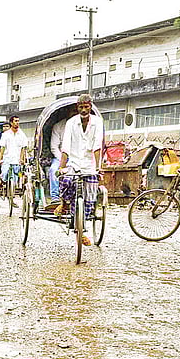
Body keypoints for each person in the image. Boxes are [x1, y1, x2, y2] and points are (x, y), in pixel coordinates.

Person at [56, 93, 105, 246]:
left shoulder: (98, 122)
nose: (84, 110)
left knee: (89, 199)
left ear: (90, 106)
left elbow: (97, 146)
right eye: (81, 107)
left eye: (86, 106)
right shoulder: (71, 123)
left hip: (90, 165)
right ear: (77, 108)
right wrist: (61, 167)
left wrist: (98, 168)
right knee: (66, 181)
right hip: (74, 163)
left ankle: (80, 230)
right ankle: (64, 203)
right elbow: (66, 147)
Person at [0, 115, 29, 193]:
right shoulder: (6, 134)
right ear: (11, 122)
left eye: (18, 121)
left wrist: (22, 159)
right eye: (15, 121)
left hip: (16, 160)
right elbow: (2, 148)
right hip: (7, 159)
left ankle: (12, 193)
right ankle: (2, 182)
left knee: (16, 177)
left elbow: (23, 148)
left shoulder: (22, 134)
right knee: (4, 173)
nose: (17, 123)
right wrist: (0, 159)